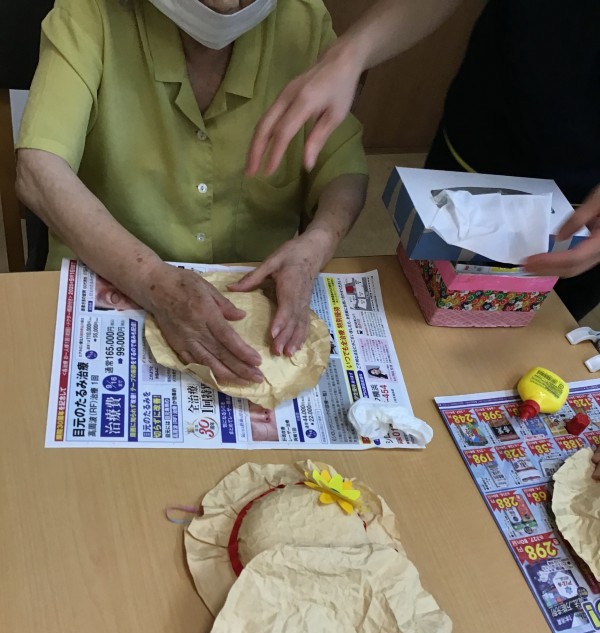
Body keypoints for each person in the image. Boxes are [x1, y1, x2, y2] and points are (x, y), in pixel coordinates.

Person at [16, 0, 368, 384]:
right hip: (113, 279)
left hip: (255, 303)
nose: (229, 3)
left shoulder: (303, 20)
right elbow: (38, 169)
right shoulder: (90, 12)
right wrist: (149, 277)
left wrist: (317, 243)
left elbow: (343, 166)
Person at [246, 0, 600, 321]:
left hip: (585, 206)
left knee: (549, 326)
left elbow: (342, 165)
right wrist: (352, 52)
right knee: (425, 295)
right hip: (480, 140)